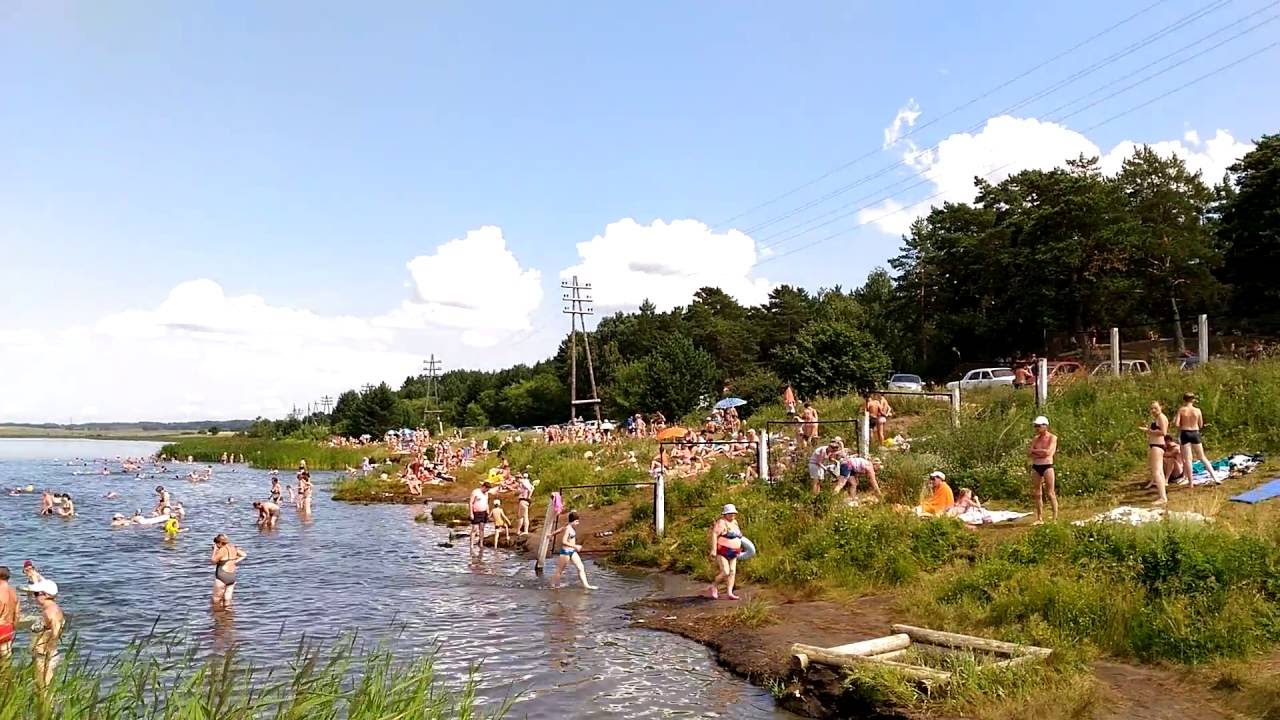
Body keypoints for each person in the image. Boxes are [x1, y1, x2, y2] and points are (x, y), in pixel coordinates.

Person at [22, 578, 63, 690]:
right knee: (41, 687)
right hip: (43, 655)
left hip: (45, 656)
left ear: (45, 594)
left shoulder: (51, 611)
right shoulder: (50, 608)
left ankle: (46, 707)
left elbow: (56, 630)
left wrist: (48, 649)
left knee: (43, 689)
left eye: (36, 594)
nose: (34, 597)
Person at [1176, 392, 1216, 486]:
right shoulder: (1197, 410)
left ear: (1184, 400)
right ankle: (1215, 477)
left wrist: (1183, 425)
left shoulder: (1181, 410)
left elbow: (1177, 424)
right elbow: (1201, 424)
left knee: (1188, 459)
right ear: (1193, 400)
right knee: (1202, 457)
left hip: (1185, 433)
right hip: (1195, 432)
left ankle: (1191, 483)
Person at [550, 511, 597, 590]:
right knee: (560, 570)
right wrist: (575, 546)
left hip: (572, 552)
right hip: (566, 552)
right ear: (573, 521)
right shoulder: (568, 529)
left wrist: (551, 534)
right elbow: (564, 541)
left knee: (580, 567)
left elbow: (560, 529)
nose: (578, 523)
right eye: (577, 521)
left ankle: (586, 585)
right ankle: (554, 586)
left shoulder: (568, 526)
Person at [708, 504, 746, 600]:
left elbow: (739, 535)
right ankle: (714, 586)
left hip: (734, 551)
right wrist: (713, 549)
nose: (732, 515)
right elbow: (714, 534)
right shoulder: (721, 522)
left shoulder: (735, 522)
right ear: (725, 514)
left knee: (732, 571)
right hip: (723, 550)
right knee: (726, 571)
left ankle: (729, 592)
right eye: (730, 513)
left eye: (733, 513)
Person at [1029, 416, 1058, 523]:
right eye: (1035, 426)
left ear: (1045, 426)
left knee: (1050, 492)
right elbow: (1030, 452)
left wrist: (1037, 451)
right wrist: (1041, 452)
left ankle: (1055, 518)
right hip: (1036, 466)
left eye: (1039, 426)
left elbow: (1049, 452)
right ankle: (1039, 518)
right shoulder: (1035, 439)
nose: (1036, 428)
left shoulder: (1052, 438)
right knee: (1037, 493)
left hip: (1047, 466)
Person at [1143, 401, 1170, 505]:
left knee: (1156, 472)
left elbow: (1163, 432)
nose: (1153, 410)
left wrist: (1148, 431)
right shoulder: (1157, 418)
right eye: (1151, 408)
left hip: (1157, 446)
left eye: (1155, 408)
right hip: (1155, 445)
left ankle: (1162, 497)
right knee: (1159, 471)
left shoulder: (1162, 418)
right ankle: (1162, 495)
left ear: (1161, 407)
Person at [210, 534, 246, 609]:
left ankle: (217, 616)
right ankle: (228, 616)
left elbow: (213, 561)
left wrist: (214, 550)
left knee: (216, 599)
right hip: (232, 576)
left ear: (220, 542)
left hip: (222, 576)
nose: (216, 544)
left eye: (216, 542)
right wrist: (234, 561)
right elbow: (244, 555)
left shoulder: (222, 550)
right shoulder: (233, 548)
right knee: (228, 599)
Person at [469, 480, 493, 549]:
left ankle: (481, 543)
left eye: (488, 490)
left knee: (482, 528)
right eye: (486, 489)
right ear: (483, 487)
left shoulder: (486, 493)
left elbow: (486, 502)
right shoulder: (475, 492)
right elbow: (471, 503)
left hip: (483, 512)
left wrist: (488, 511)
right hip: (476, 512)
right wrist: (471, 513)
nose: (487, 491)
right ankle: (471, 545)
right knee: (474, 529)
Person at [0, 566, 17, 662]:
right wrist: (13, 627)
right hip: (8, 628)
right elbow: (17, 613)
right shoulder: (13, 592)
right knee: (6, 658)